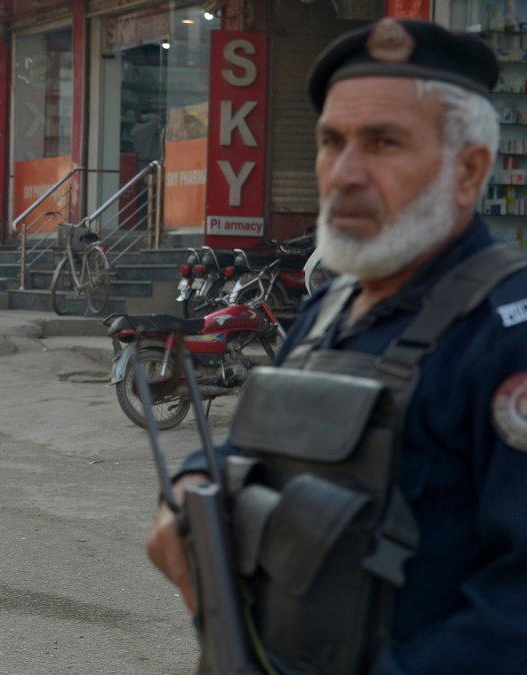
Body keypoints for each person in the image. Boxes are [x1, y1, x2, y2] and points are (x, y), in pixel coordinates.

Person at [145, 18, 527, 673]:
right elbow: (259, 449)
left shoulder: (504, 332)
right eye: (332, 141)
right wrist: (191, 484)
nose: (345, 172)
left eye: (384, 142)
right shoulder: (330, 306)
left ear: (469, 170)